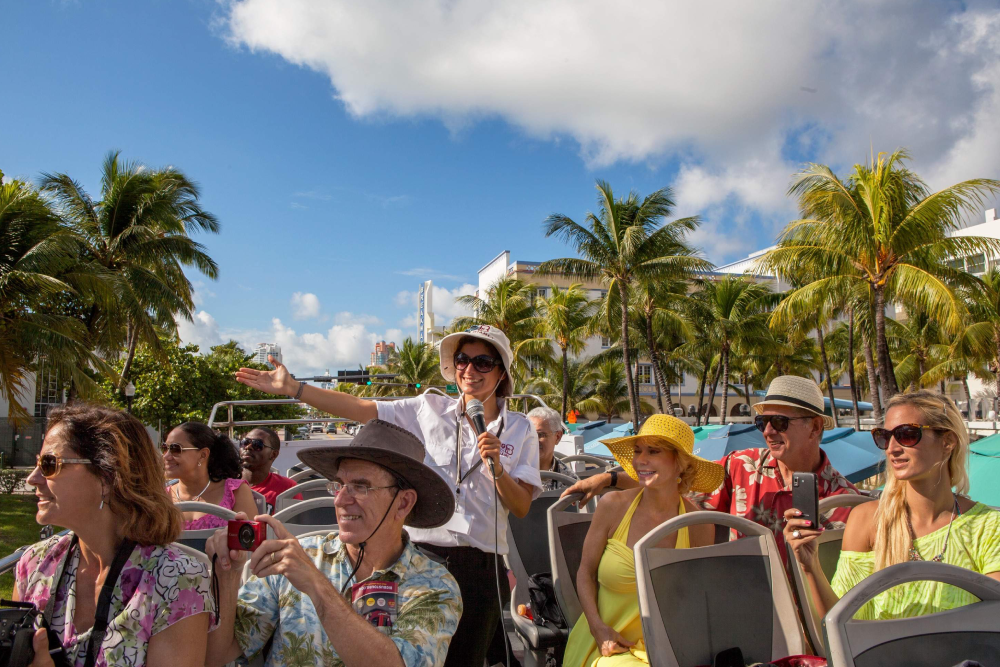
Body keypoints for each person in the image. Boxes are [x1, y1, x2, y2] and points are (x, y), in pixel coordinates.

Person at [236, 325, 542, 667]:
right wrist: (295, 388)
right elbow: (362, 408)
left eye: (483, 362)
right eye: (462, 360)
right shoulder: (428, 408)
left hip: (480, 562)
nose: (470, 370)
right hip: (418, 557)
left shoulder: (520, 428)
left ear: (501, 372)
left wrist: (497, 468)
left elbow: (521, 505)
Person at [204, 419, 462, 667]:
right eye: (339, 486)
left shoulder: (433, 585)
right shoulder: (297, 556)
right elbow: (219, 655)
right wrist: (227, 577)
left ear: (403, 502)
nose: (339, 501)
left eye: (361, 487)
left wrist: (317, 585)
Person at [562, 375, 860, 566]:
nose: (768, 431)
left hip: (806, 616)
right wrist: (608, 478)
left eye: (780, 422)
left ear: (816, 427)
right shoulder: (741, 465)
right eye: (762, 423)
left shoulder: (846, 501)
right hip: (736, 599)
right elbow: (672, 477)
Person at [13, 404, 214, 667]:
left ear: (107, 478)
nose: (33, 478)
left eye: (49, 464)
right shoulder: (36, 564)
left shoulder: (177, 581)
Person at [785, 390, 1000, 621]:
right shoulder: (868, 521)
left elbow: (992, 623)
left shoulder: (987, 526)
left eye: (907, 434)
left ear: (947, 442)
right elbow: (843, 624)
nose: (892, 448)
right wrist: (811, 567)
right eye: (885, 437)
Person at [563, 415, 723, 666]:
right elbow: (585, 573)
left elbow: (700, 599)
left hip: (669, 648)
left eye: (653, 451)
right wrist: (597, 628)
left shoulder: (699, 524)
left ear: (679, 464)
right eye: (637, 451)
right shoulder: (613, 506)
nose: (640, 460)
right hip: (607, 646)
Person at [163, 421, 257, 529]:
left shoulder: (235, 492)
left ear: (203, 455)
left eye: (175, 449)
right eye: (165, 448)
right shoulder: (161, 495)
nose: (166, 456)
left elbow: (251, 541)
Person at [239, 427, 301, 513]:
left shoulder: (287, 488)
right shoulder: (225, 483)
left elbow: (294, 524)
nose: (248, 447)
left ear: (273, 454)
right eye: (245, 442)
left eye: (257, 445)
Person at [527, 406, 573, 490]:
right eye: (529, 435)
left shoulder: (568, 480)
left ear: (558, 437)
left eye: (540, 435)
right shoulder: (512, 472)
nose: (533, 441)